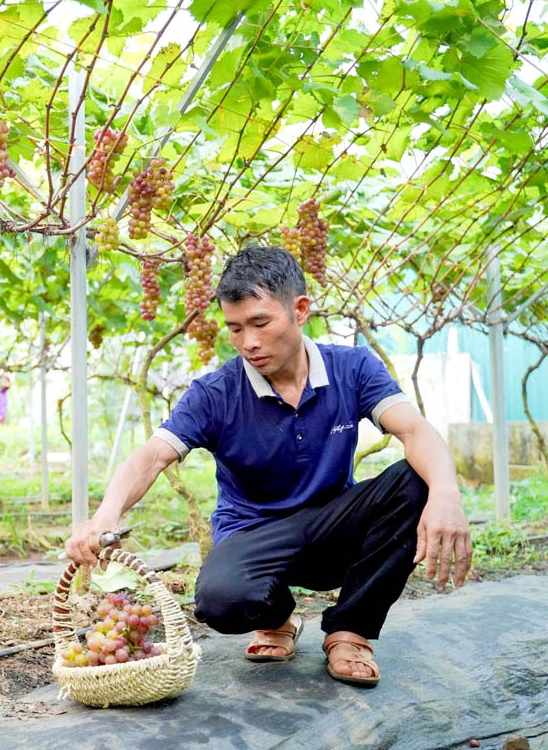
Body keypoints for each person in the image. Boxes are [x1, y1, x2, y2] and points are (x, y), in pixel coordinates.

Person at [65, 246, 472, 687]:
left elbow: (415, 431)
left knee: (418, 478)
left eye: (261, 323)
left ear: (300, 310)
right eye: (235, 329)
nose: (249, 343)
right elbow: (152, 456)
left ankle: (350, 631)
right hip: (255, 536)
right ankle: (277, 617)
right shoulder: (215, 392)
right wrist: (106, 515)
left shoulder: (352, 368)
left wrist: (447, 495)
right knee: (222, 600)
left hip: (331, 527)